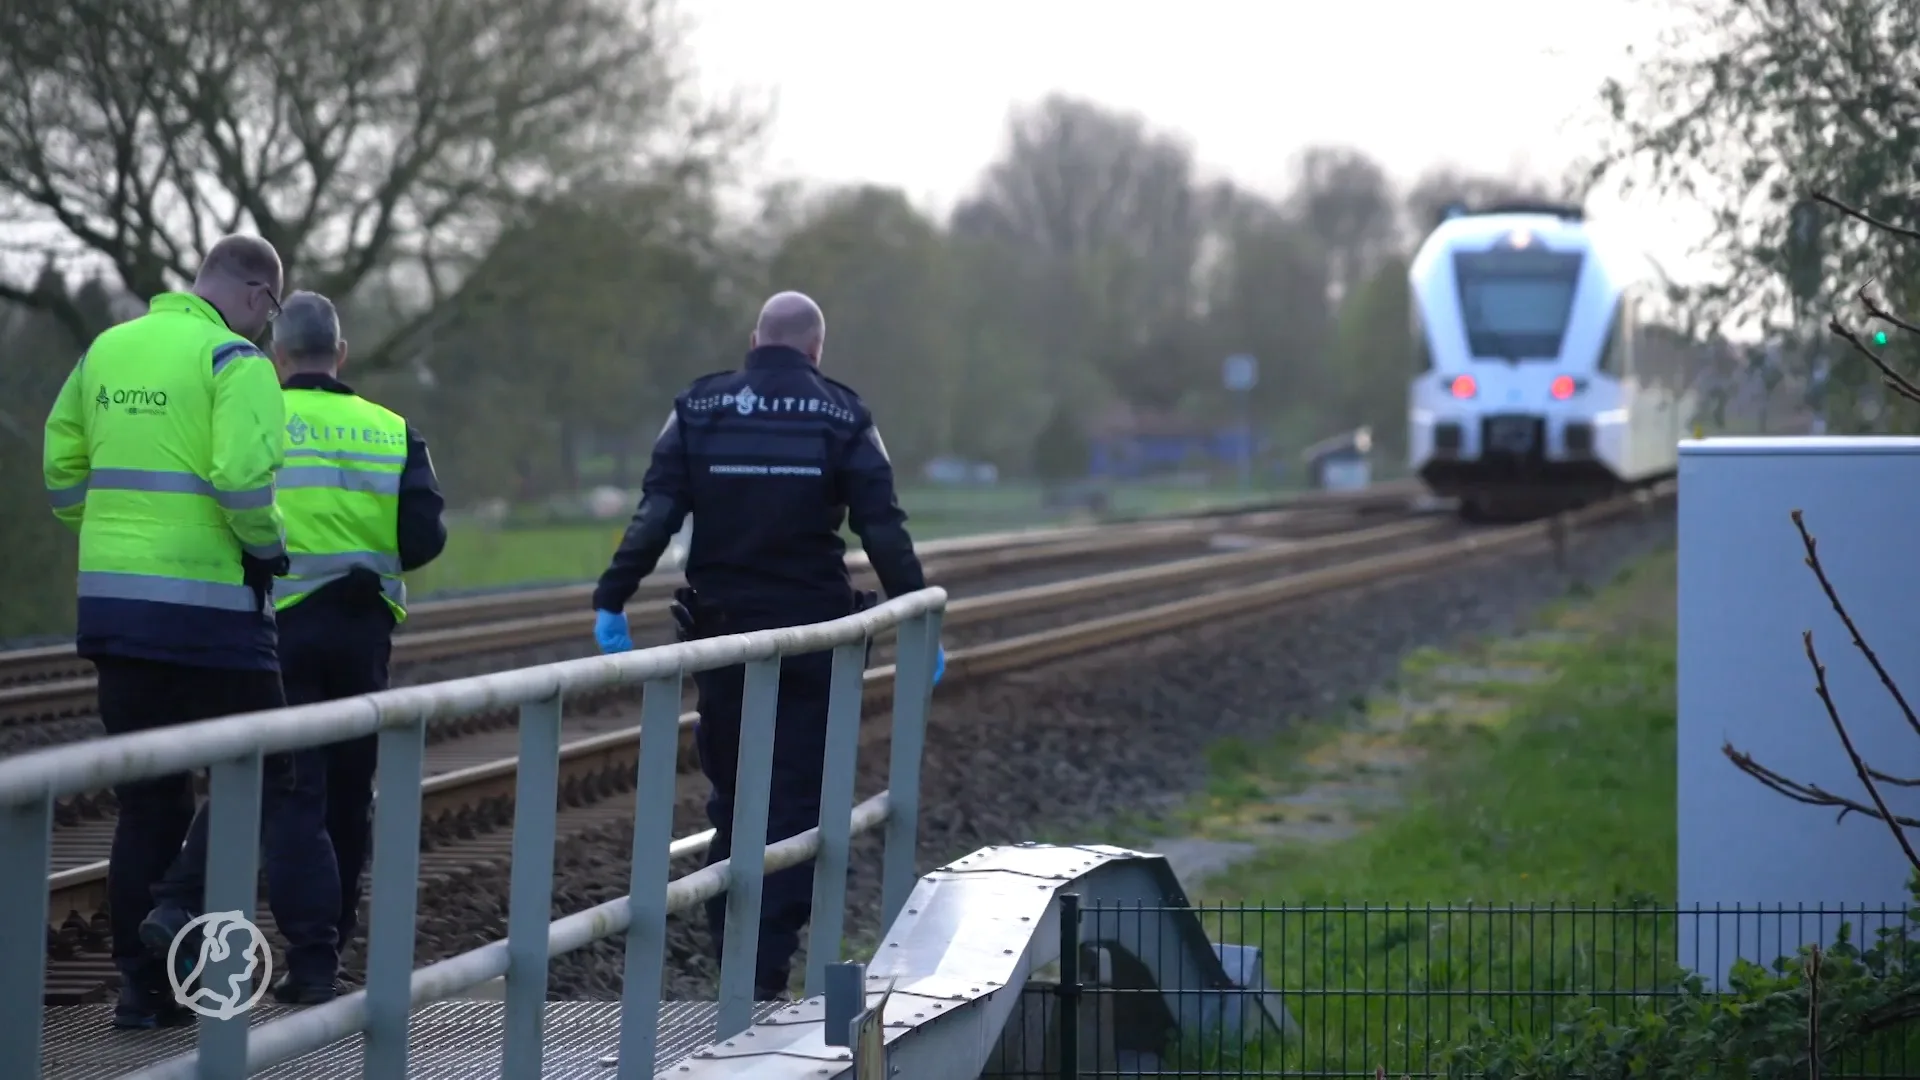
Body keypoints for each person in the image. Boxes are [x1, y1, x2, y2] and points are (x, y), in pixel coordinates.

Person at [590, 291, 944, 1001]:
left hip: (721, 636)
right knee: (796, 808)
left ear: (755, 339)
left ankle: (736, 959)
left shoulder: (697, 408)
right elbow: (882, 528)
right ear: (817, 349)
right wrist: (920, 618)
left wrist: (612, 596)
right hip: (815, 639)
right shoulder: (845, 414)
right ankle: (764, 971)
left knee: (734, 795)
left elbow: (657, 511)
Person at [42, 235, 291, 1029]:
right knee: (267, 767)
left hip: (114, 613)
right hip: (212, 615)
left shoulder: (107, 350)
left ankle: (142, 994)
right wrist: (267, 549)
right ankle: (182, 906)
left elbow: (60, 470)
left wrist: (113, 533)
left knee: (148, 800)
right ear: (258, 297)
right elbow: (243, 480)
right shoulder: (234, 362)